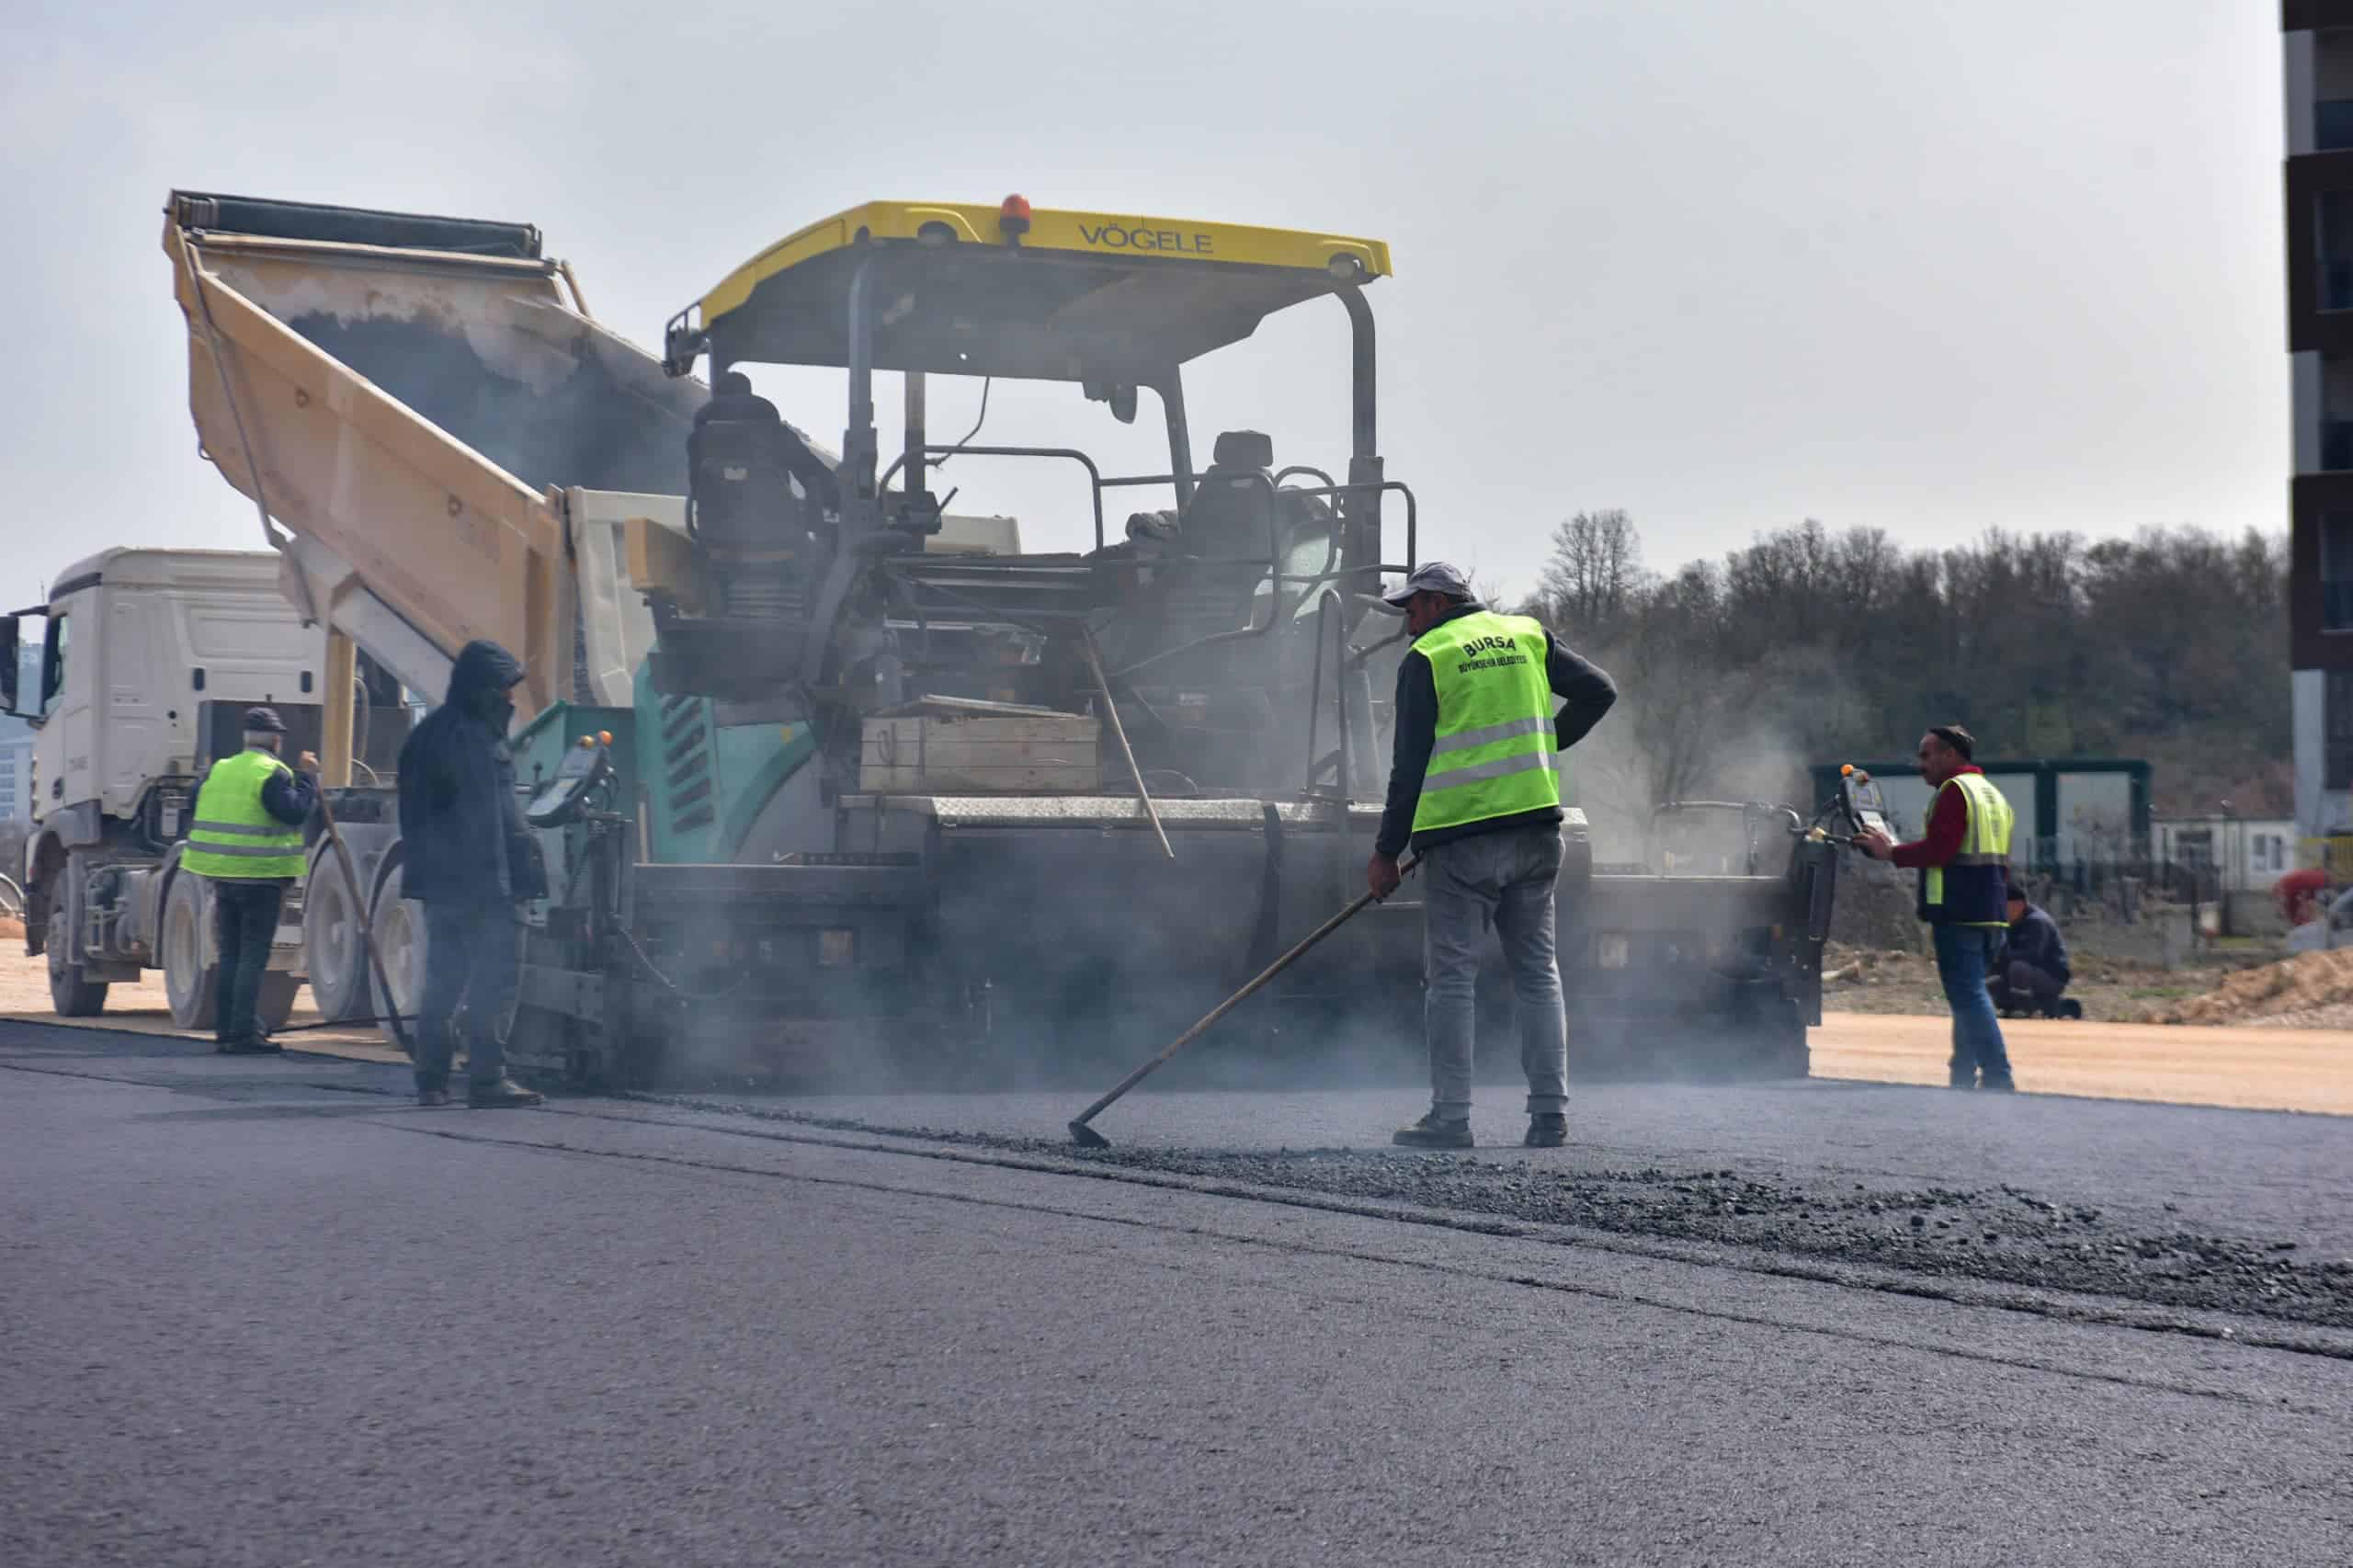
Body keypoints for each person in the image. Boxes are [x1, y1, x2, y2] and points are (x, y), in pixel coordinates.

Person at [1369, 561, 1618, 1150]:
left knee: (1453, 978)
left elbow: (1408, 769)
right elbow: (1600, 690)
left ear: (1435, 602)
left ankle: (1451, 1119)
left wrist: (1385, 852)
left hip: (1461, 842)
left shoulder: (1428, 658)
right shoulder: (1528, 634)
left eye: (1409, 608)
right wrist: (1545, 743)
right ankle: (1550, 1116)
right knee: (1538, 972)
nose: (1406, 621)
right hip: (1536, 833)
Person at [395, 641, 549, 1108]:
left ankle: (431, 1080)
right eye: (505, 688)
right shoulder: (476, 741)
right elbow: (485, 821)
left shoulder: (427, 734)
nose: (511, 699)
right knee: (494, 982)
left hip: (441, 885)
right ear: (485, 689)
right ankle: (487, 1078)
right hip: (485, 888)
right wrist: (505, 886)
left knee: (442, 982)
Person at [1856, 723, 2018, 1091]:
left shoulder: (1954, 792)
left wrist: (1890, 852)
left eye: (1927, 755)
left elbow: (1940, 851)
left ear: (1950, 755)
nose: (1921, 763)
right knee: (1970, 995)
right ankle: (1962, 1077)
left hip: (1959, 912)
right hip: (1992, 913)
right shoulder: (1992, 795)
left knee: (1969, 996)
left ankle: (1998, 1077)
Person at [181, 707, 318, 1054]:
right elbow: (294, 811)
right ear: (276, 740)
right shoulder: (272, 773)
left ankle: (227, 1030)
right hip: (261, 878)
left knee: (230, 955)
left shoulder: (219, 770)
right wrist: (308, 778)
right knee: (251, 958)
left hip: (222, 876)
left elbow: (192, 806)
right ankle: (243, 1034)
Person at [693, 368, 842, 515]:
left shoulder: (700, 438)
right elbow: (810, 470)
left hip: (714, 526)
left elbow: (696, 486)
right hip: (776, 524)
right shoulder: (776, 433)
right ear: (749, 394)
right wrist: (838, 500)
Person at [1988, 881, 2072, 1017]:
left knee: (2018, 967)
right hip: (2028, 973)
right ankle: (2007, 1006)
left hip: (2052, 976)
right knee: (1990, 968)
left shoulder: (2037, 922)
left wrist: (2003, 957)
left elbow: (2034, 956)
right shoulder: (2009, 922)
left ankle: (2025, 1009)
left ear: (2018, 905)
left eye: (2003, 905)